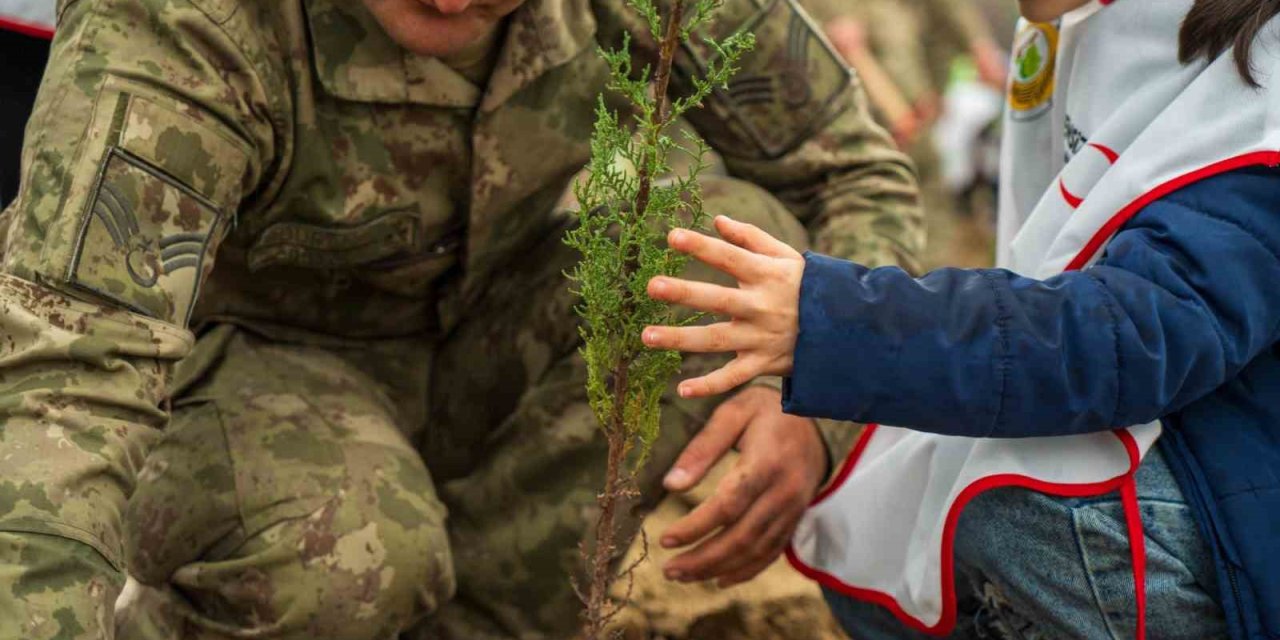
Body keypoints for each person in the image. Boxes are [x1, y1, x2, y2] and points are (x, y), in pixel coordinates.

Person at [0, 0, 922, 638]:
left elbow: (852, 173)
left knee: (717, 255)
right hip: (233, 370)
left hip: (485, 342)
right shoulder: (184, 25)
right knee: (347, 549)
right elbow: (72, 377)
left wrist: (817, 407)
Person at [642, 0, 1280, 638]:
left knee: (1014, 497)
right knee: (875, 488)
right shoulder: (1109, 27)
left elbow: (1135, 339)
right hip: (1207, 437)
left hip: (1242, 491)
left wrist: (830, 324)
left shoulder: (1261, 85)